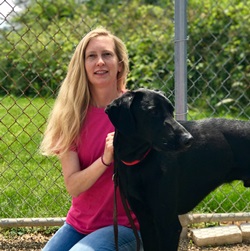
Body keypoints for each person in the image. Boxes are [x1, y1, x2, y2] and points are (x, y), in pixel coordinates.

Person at [40, 27, 142, 251]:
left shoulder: (136, 110)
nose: (100, 62)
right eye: (91, 56)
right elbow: (74, 186)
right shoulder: (71, 115)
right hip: (79, 225)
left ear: (120, 64)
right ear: (82, 65)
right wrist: (106, 159)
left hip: (125, 226)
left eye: (107, 55)